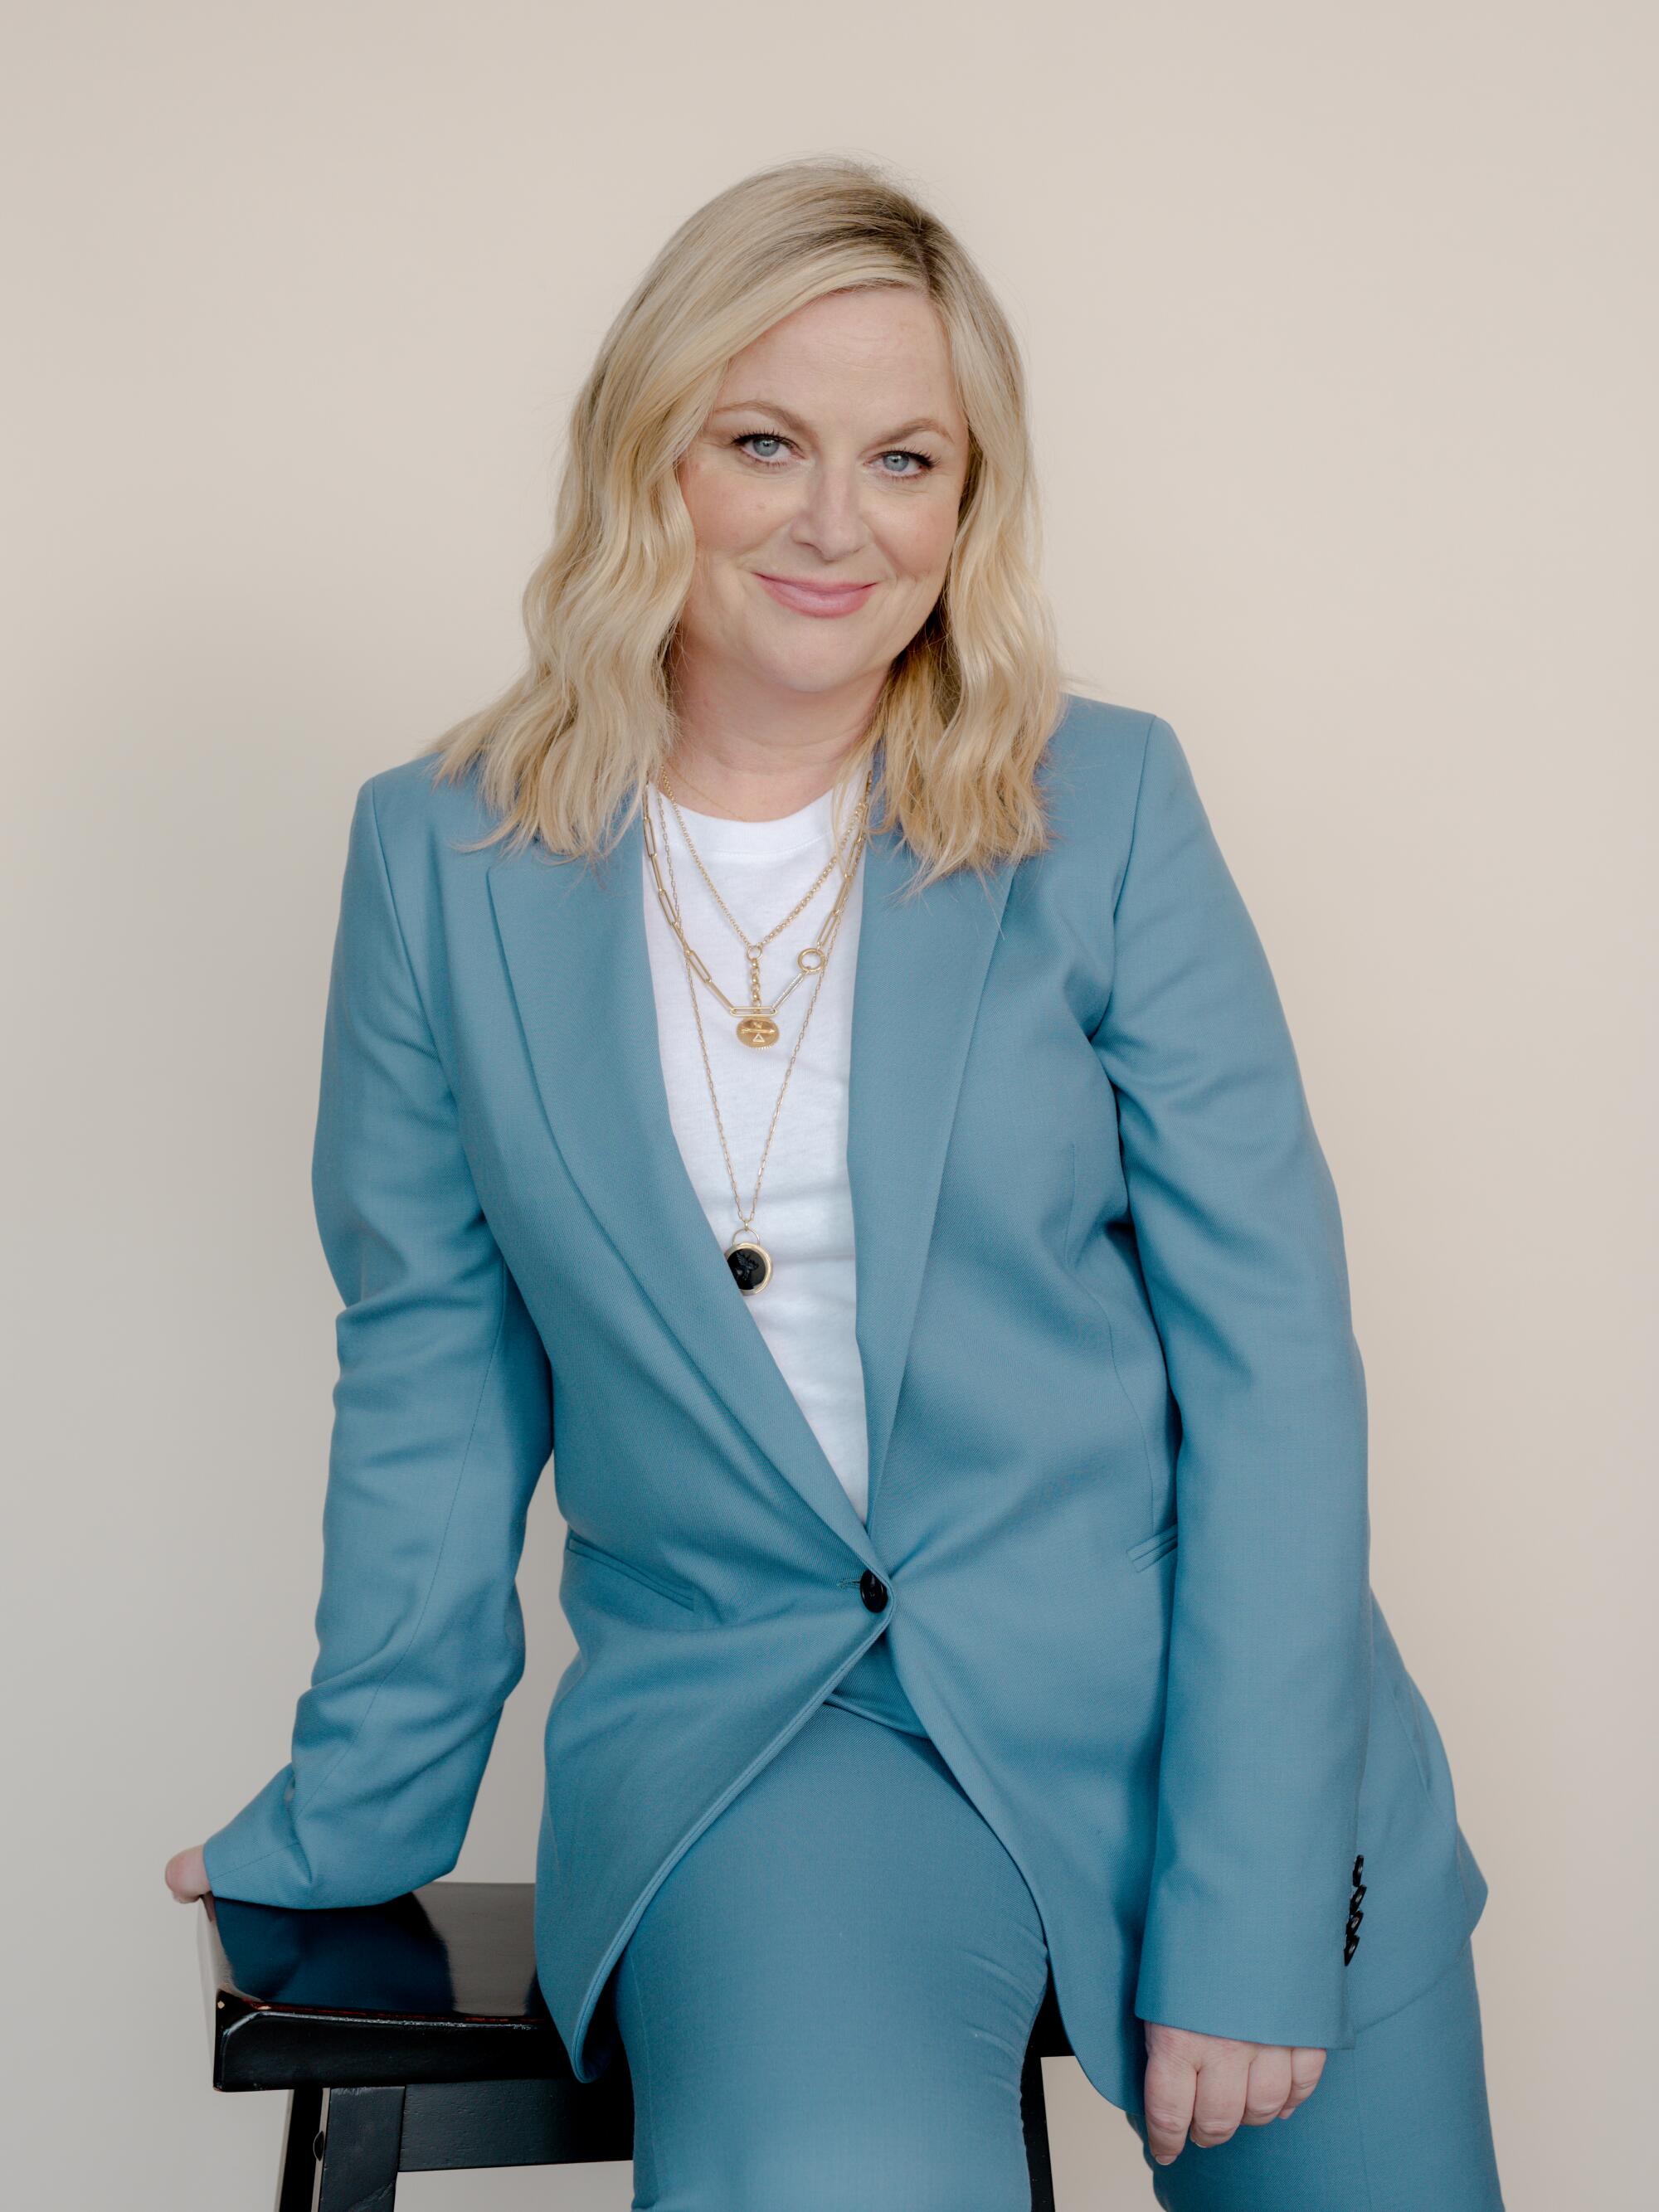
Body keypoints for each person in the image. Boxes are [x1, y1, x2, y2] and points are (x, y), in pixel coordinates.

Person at [168, 155, 1505, 2208]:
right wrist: (352, 1808)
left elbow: (1269, 1365)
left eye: (906, 459)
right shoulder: (435, 859)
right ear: (649, 455)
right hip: (778, 1744)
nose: (834, 522)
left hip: (1205, 1704)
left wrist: (1248, 1901)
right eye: (764, 442)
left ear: (968, 507)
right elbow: (433, 1371)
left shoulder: (1107, 805)